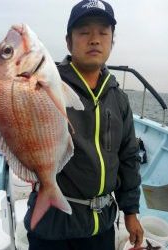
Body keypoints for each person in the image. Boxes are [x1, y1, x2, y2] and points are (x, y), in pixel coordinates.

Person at [24, 0, 144, 249]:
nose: (94, 39)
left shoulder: (119, 99)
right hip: (52, 225)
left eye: (103, 32)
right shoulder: (45, 86)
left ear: (112, 41)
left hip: (101, 226)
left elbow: (128, 157)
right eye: (84, 32)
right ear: (68, 42)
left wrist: (130, 212)